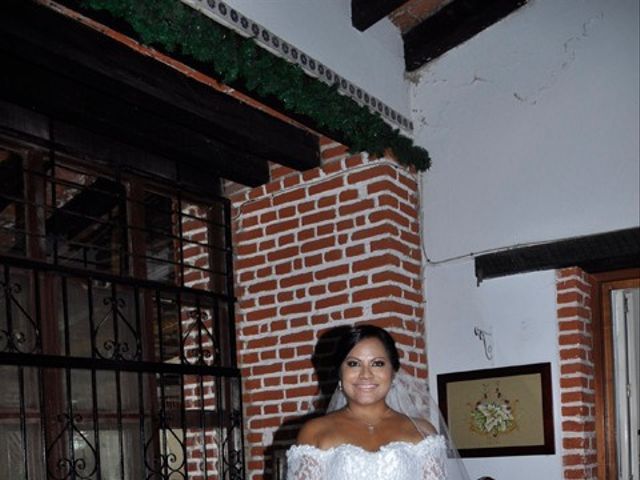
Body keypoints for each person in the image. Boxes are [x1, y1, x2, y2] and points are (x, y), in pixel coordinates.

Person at [286, 324, 470, 480]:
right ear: (340, 373)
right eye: (353, 364)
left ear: (393, 371)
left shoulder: (422, 432)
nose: (365, 374)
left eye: (378, 363)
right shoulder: (315, 432)